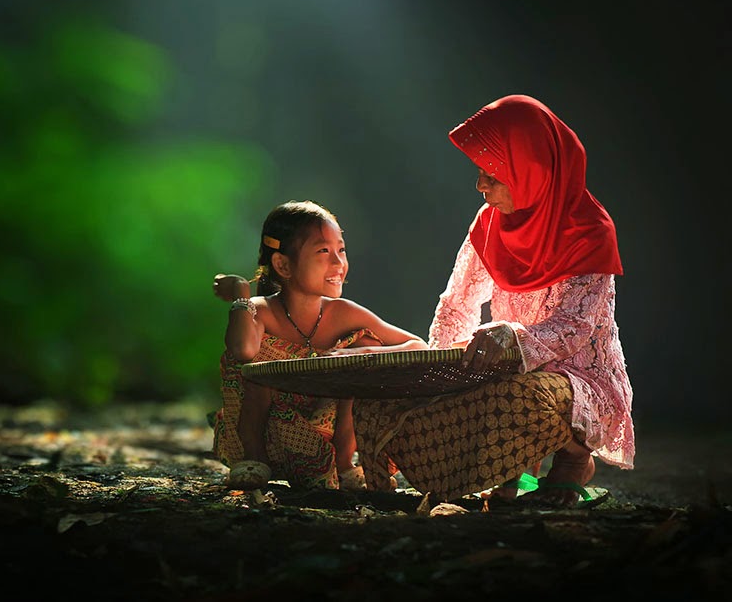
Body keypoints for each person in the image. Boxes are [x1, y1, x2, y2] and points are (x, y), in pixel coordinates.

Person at [352, 94, 634, 508]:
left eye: (493, 175)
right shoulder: (488, 224)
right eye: (480, 173)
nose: (480, 186)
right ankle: (512, 465)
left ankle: (573, 458)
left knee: (517, 399)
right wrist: (438, 373)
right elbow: (457, 306)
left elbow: (575, 328)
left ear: (532, 172)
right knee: (409, 399)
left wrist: (512, 337)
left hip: (574, 377)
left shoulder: (588, 231)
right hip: (506, 369)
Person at [212, 200, 428, 491]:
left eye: (341, 250)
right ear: (283, 264)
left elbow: (417, 346)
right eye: (324, 251)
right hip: (273, 436)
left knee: (362, 347)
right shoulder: (260, 311)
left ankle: (343, 464)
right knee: (261, 367)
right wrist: (241, 295)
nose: (339, 264)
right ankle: (253, 460)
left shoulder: (344, 313)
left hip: (323, 433)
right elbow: (242, 350)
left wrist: (363, 354)